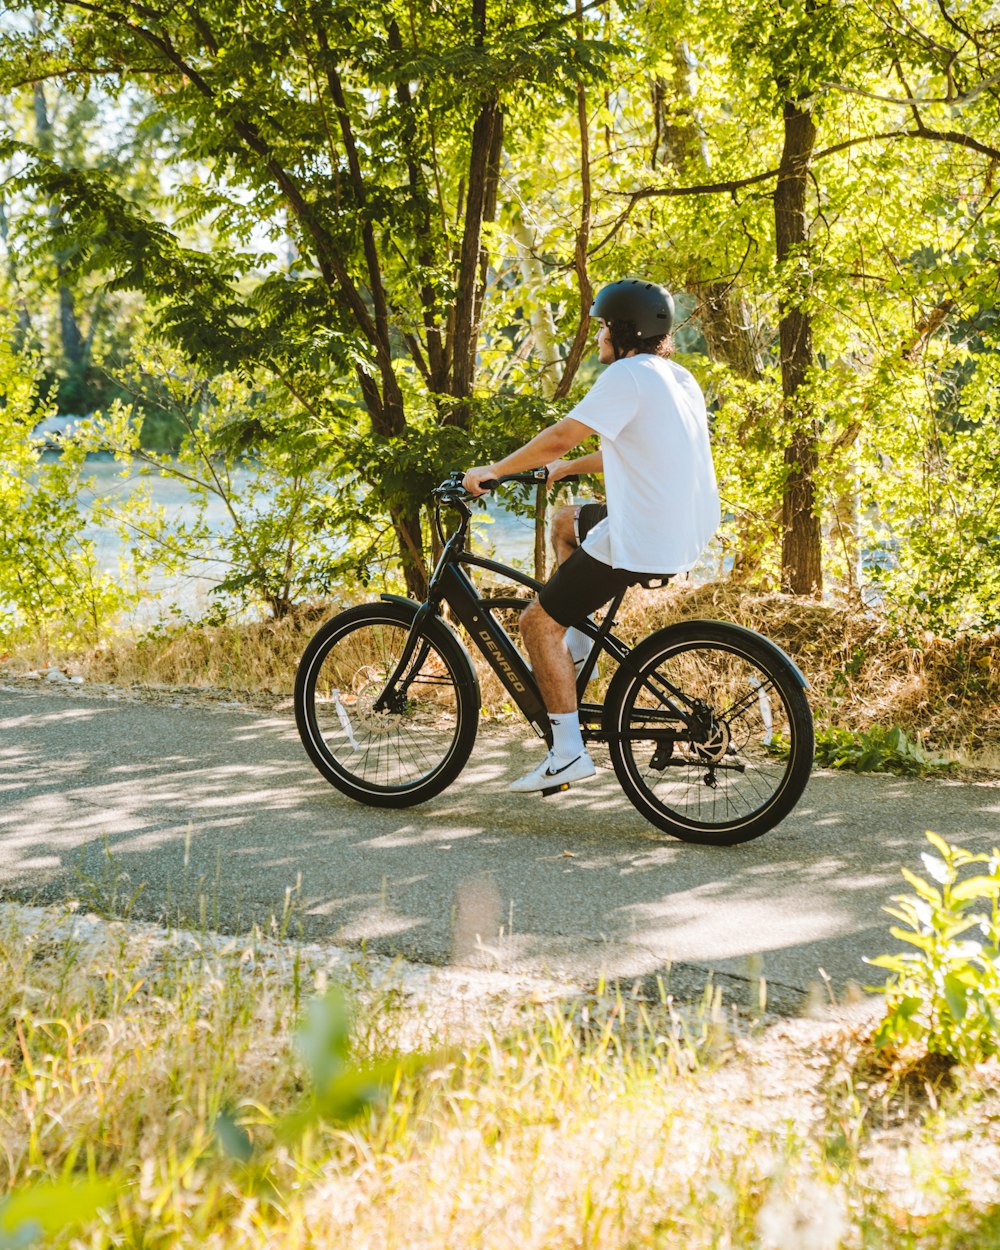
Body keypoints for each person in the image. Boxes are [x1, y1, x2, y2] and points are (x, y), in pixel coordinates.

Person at [463, 279, 721, 793]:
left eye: (604, 325)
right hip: (683, 527)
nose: (600, 334)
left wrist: (493, 469)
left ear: (625, 329)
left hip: (640, 533)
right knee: (566, 521)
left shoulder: (626, 375)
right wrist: (563, 470)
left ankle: (567, 752)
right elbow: (629, 449)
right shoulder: (675, 376)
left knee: (536, 621)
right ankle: (573, 650)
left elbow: (562, 433)